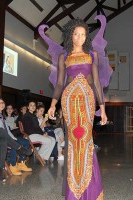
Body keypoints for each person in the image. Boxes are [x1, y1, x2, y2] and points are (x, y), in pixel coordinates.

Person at [45, 18, 107, 200]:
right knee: (72, 142)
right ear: (70, 35)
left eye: (83, 34)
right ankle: (74, 191)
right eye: (76, 34)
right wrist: (52, 104)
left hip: (87, 99)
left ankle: (90, 189)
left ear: (86, 36)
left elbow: (96, 83)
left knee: (85, 139)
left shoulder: (92, 54)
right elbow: (59, 84)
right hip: (69, 99)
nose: (79, 38)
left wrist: (102, 109)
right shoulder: (63, 56)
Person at [0, 98, 32, 175]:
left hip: (7, 136)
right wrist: (11, 139)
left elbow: (7, 129)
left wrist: (12, 137)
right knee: (14, 144)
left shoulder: (1, 116)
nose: (1, 104)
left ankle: (21, 163)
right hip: (0, 139)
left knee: (26, 142)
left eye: (2, 102)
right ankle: (12, 165)